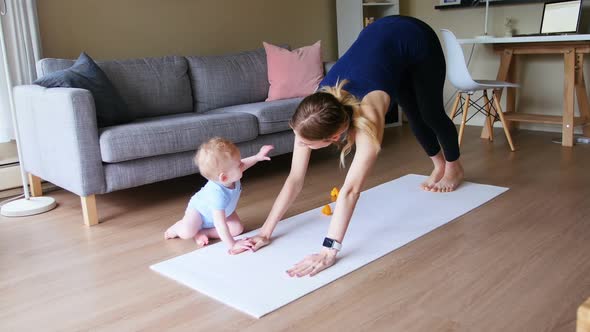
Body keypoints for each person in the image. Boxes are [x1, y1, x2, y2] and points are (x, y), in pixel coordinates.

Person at [245, 16, 464, 276]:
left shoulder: (370, 116)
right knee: (414, 113)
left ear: (335, 137)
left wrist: (329, 249)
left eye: (305, 143)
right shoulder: (311, 114)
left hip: (415, 38)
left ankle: (453, 167)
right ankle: (438, 166)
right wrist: (265, 233)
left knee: (429, 114)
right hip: (383, 46)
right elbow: (295, 179)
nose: (300, 144)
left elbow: (350, 191)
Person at [165, 137, 273, 255]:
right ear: (224, 177)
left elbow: (244, 164)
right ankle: (176, 228)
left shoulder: (231, 175)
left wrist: (257, 157)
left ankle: (205, 232)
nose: (242, 164)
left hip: (225, 211)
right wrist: (233, 244)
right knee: (187, 232)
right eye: (239, 164)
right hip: (200, 213)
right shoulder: (217, 194)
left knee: (237, 229)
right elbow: (220, 223)